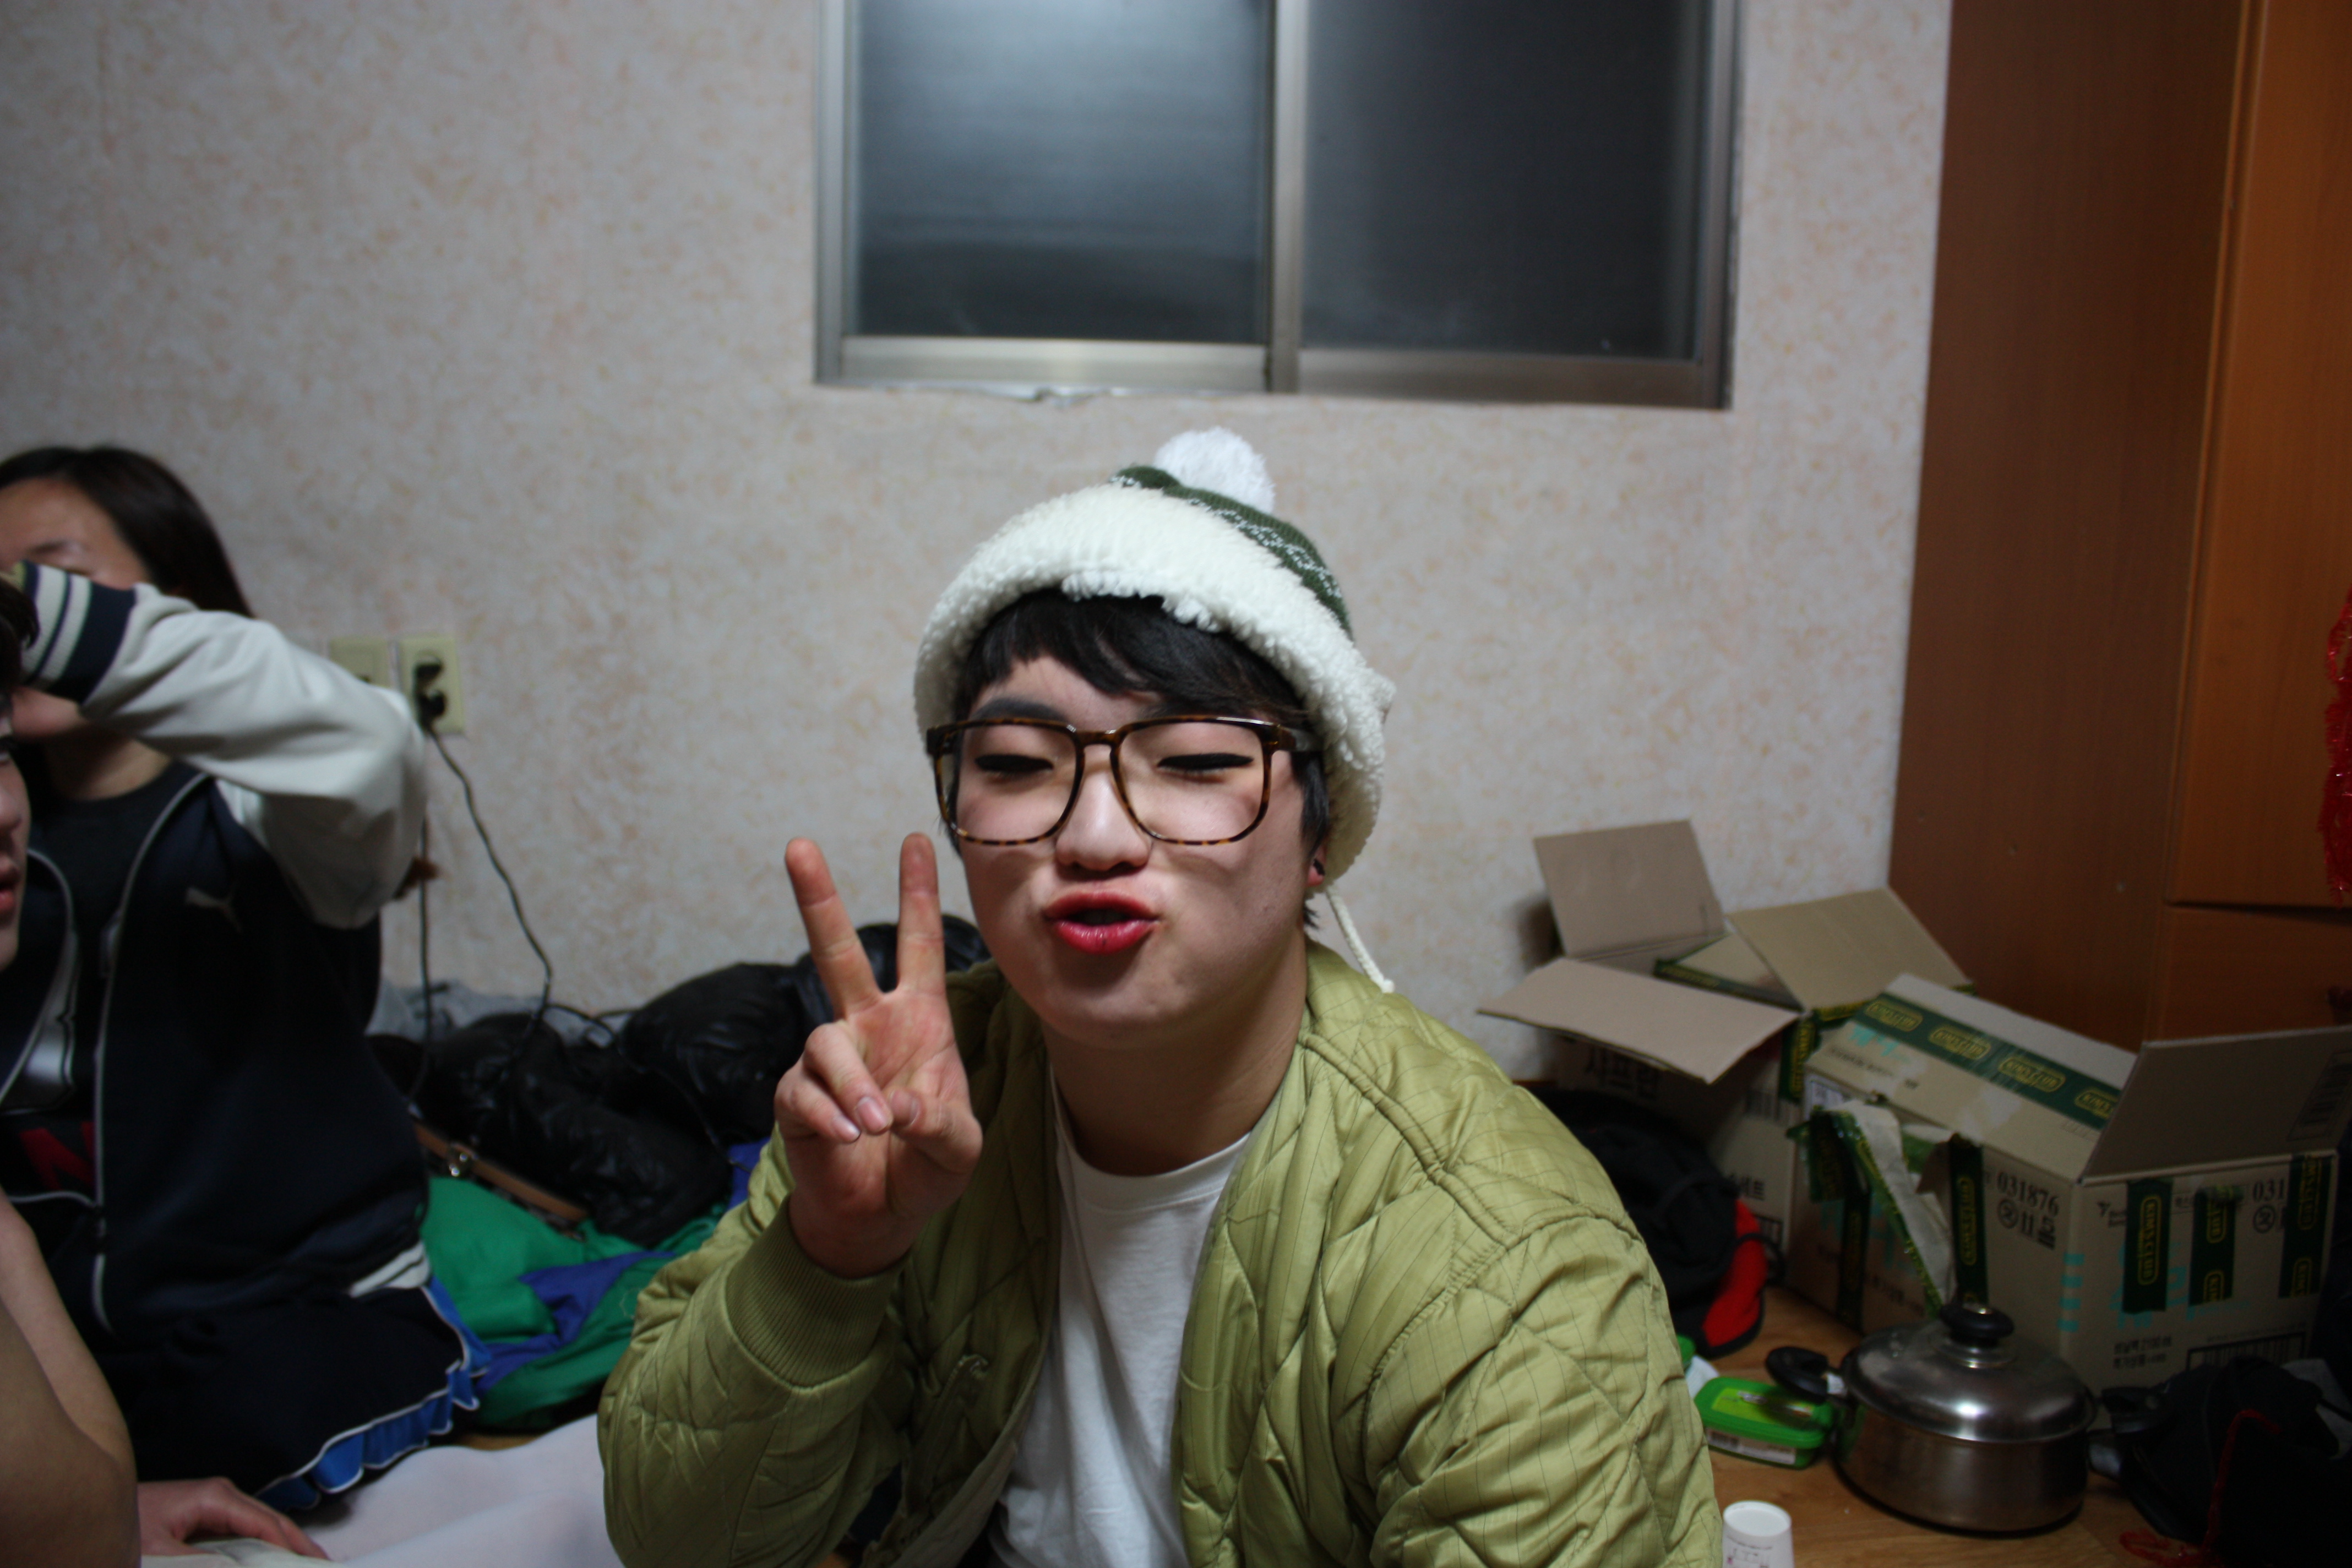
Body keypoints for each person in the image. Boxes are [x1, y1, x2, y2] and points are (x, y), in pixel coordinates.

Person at [600, 431, 1720, 1566]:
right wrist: (831, 1253)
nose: (1094, 836)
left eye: (1192, 762)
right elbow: (675, 1543)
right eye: (1017, 762)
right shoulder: (905, 1106)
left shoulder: (1504, 1269)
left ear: (1322, 830)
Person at [0, 446, 470, 1511]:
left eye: (49, 576)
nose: (18, 622)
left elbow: (371, 745)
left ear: (169, 601)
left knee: (247, 1430)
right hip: (56, 1334)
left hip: (284, 1318)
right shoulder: (12, 824)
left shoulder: (271, 812)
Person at [0, 574, 324, 1563]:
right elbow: (77, 1532)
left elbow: (85, 1507)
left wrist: (111, 1499)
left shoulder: (247, 814)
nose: (4, 807)